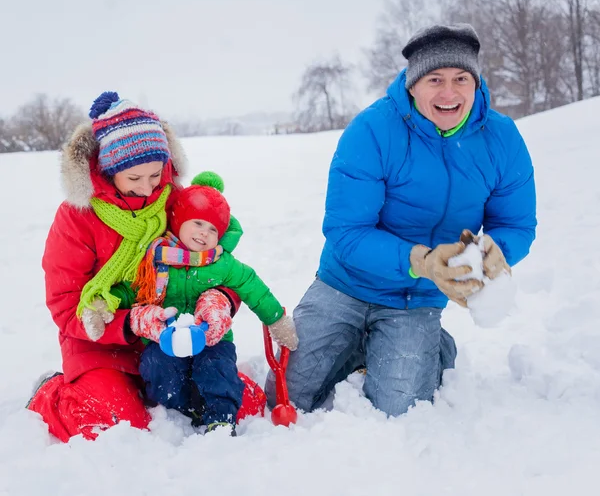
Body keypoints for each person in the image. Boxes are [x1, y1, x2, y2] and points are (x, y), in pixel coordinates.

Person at [266, 23, 537, 417]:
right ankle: (365, 340)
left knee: (397, 409)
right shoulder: (373, 130)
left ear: (476, 84)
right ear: (412, 85)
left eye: (461, 78)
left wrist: (493, 251)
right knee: (287, 394)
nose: (449, 93)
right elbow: (347, 231)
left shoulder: (501, 138)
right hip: (345, 283)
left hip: (417, 298)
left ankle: (428, 346)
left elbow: (517, 224)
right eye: (435, 79)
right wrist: (422, 261)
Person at [27, 92, 243, 442]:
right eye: (134, 179)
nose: (147, 188)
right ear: (108, 171)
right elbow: (66, 304)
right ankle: (51, 395)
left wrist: (222, 297)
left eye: (156, 175)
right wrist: (130, 321)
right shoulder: (76, 218)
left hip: (170, 339)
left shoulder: (173, 197)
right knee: (120, 428)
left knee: (238, 402)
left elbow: (219, 261)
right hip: (101, 343)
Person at [110, 171, 298, 434]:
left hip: (212, 339)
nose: (204, 233)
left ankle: (220, 417)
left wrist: (275, 319)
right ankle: (182, 408)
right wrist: (105, 304)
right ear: (178, 220)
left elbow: (253, 287)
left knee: (217, 369)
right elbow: (131, 290)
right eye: (197, 223)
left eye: (212, 229)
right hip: (165, 338)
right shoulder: (154, 259)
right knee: (159, 370)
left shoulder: (222, 264)